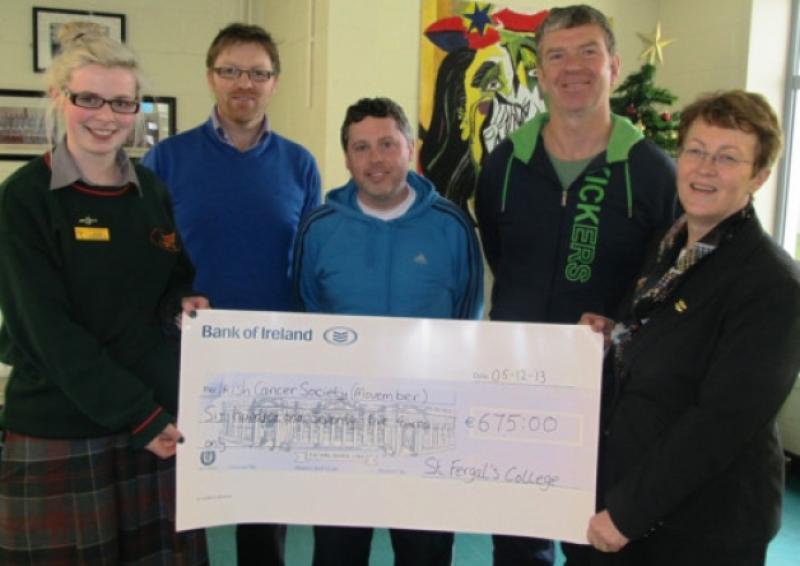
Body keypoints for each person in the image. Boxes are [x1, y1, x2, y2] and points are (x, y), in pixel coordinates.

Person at [474, 6, 678, 564]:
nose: (573, 68)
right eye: (556, 56)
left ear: (613, 64)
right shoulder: (503, 166)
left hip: (612, 404)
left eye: (588, 52)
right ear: (539, 72)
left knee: (595, 545)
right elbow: (501, 252)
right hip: (514, 389)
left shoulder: (652, 172)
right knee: (516, 546)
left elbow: (665, 283)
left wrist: (620, 326)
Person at [0, 23, 207, 564]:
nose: (106, 115)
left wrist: (182, 301)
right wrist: (140, 414)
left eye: (122, 102)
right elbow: (49, 333)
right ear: (58, 99)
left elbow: (173, 277)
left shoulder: (151, 190)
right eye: (88, 98)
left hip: (151, 422)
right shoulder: (23, 200)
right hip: (65, 428)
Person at [580, 90, 800, 566]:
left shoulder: (772, 283)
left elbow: (720, 422)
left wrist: (627, 513)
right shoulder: (674, 245)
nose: (704, 169)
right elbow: (667, 338)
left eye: (727, 158)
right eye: (696, 151)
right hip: (635, 492)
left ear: (759, 177)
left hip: (701, 527)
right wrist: (614, 333)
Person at [142, 23, 321, 564]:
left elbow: (309, 263)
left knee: (263, 508)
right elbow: (147, 263)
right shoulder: (165, 161)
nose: (245, 83)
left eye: (258, 73)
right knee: (180, 501)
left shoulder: (299, 163)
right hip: (186, 358)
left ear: (275, 82)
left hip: (273, 360)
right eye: (232, 71)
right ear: (210, 77)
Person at [292, 97, 483, 566]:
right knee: (338, 552)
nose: (375, 159)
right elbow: (308, 314)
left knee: (425, 553)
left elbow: (467, 318)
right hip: (342, 430)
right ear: (346, 157)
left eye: (387, 144)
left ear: (410, 148)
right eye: (361, 147)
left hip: (428, 430)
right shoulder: (319, 228)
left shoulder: (453, 226)